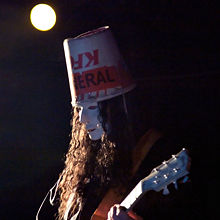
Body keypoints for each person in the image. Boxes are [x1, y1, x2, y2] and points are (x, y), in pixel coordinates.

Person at [56, 26, 195, 220]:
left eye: (93, 108)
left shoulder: (156, 151)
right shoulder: (84, 166)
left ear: (118, 109)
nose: (81, 119)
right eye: (79, 109)